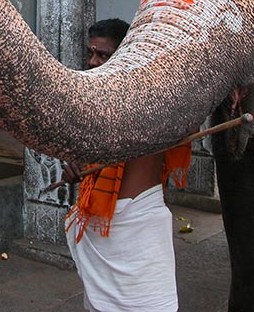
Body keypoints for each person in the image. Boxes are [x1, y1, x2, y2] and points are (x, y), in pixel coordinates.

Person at [63, 18, 191, 312]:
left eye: (103, 55)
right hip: (99, 224)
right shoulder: (89, 98)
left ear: (124, 55)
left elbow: (185, 123)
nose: (93, 62)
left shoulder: (152, 100)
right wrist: (74, 167)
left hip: (138, 225)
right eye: (91, 53)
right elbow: (83, 157)